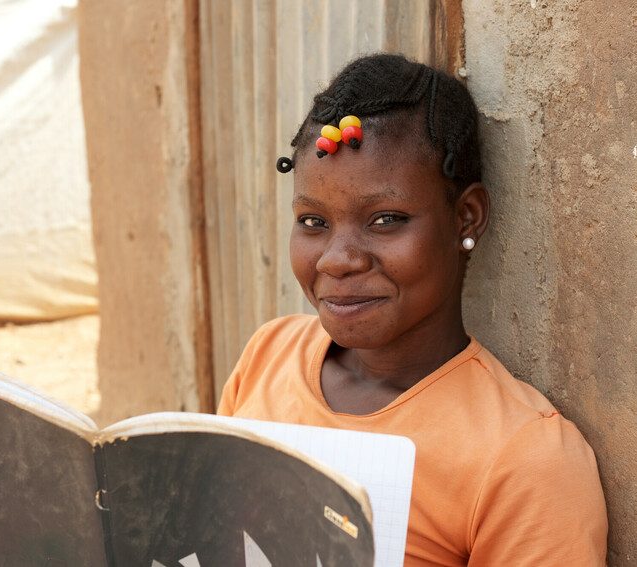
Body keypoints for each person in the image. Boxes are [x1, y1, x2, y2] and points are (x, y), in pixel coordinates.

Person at [216, 54, 608, 565]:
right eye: (313, 222)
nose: (338, 259)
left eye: (385, 219)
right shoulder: (269, 355)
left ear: (466, 217)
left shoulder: (523, 459)